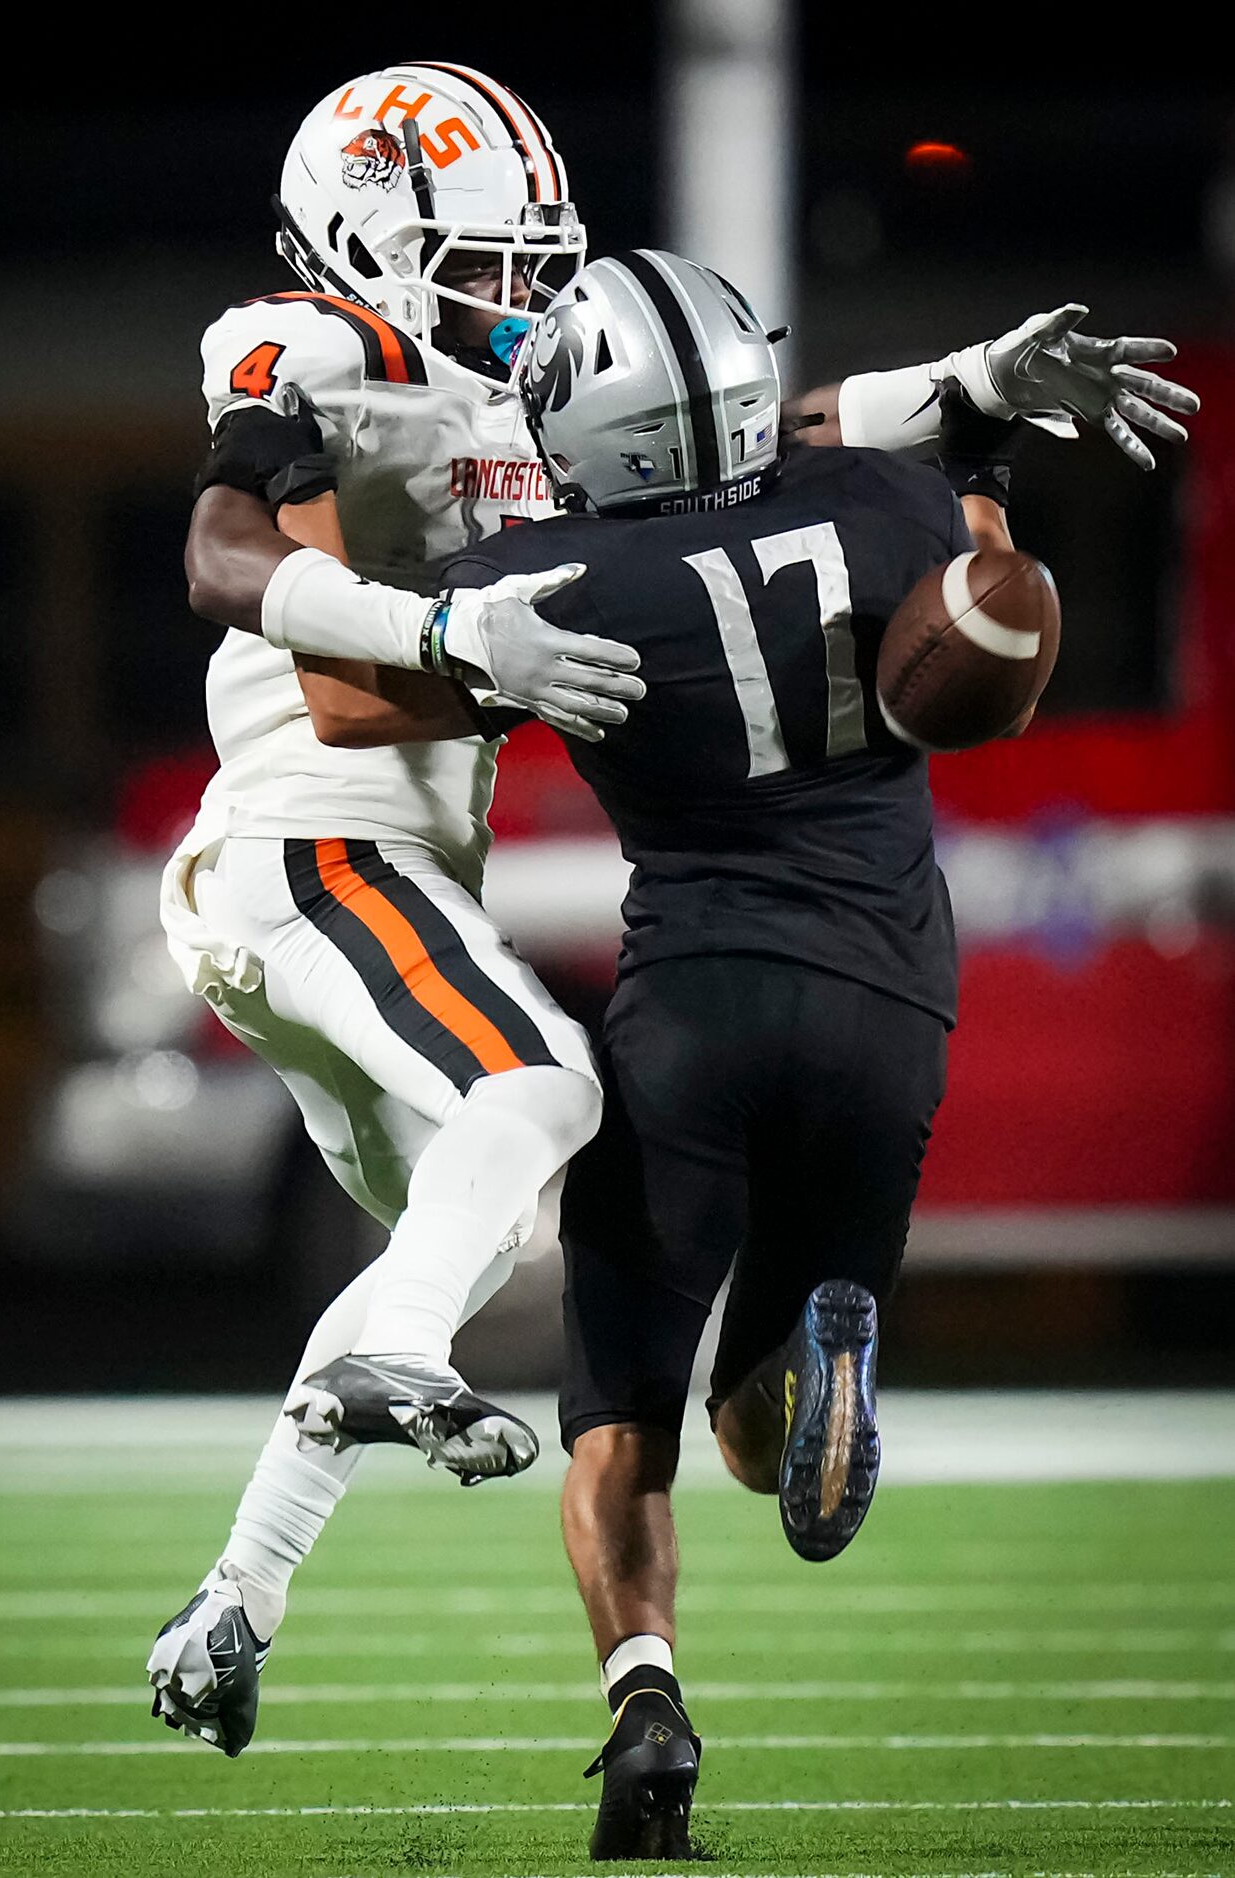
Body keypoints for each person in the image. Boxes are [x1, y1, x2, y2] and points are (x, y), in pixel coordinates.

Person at [145, 58, 1198, 1760]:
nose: (519, 298)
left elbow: (745, 428)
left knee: (466, 1223)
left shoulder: (517, 393)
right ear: (358, 243)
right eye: (482, 264)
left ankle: (232, 1604)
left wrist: (969, 373)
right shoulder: (309, 346)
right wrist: (449, 638)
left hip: (404, 875)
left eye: (531, 261)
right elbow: (222, 561)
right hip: (305, 852)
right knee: (544, 1091)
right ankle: (412, 1357)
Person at [439, 249, 1199, 1860]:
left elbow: (392, 670)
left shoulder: (556, 575)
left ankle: (645, 1696)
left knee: (629, 1413)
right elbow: (981, 565)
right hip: (888, 998)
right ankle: (826, 1339)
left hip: (691, 1005)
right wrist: (977, 435)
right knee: (763, 1400)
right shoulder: (887, 510)